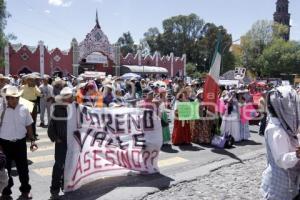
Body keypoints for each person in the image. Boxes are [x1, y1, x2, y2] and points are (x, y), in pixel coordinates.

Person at [261, 86, 300, 200]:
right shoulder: (275, 129)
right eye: (290, 104)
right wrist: (297, 155)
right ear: (281, 107)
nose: (293, 108)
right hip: (280, 187)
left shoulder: (285, 123)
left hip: (290, 183)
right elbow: (282, 161)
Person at [0, 85, 37, 200]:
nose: (13, 100)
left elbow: (29, 125)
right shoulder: (1, 109)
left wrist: (32, 140)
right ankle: (6, 192)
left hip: (20, 143)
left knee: (23, 169)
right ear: (7, 98)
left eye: (15, 98)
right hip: (4, 144)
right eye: (11, 98)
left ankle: (25, 191)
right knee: (5, 170)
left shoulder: (24, 108)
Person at [48, 87, 76, 200]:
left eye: (70, 97)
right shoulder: (56, 109)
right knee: (59, 165)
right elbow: (51, 127)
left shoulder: (76, 108)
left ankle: (66, 185)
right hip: (61, 142)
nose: (68, 99)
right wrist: (55, 138)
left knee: (70, 165)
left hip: (73, 142)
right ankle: (54, 188)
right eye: (66, 97)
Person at [21, 74, 41, 140]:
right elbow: (19, 95)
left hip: (33, 103)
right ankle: (26, 135)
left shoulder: (35, 87)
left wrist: (34, 88)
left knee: (33, 120)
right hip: (26, 103)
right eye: (31, 80)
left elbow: (39, 94)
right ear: (27, 81)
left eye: (33, 80)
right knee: (26, 120)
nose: (32, 82)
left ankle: (33, 134)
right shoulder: (23, 87)